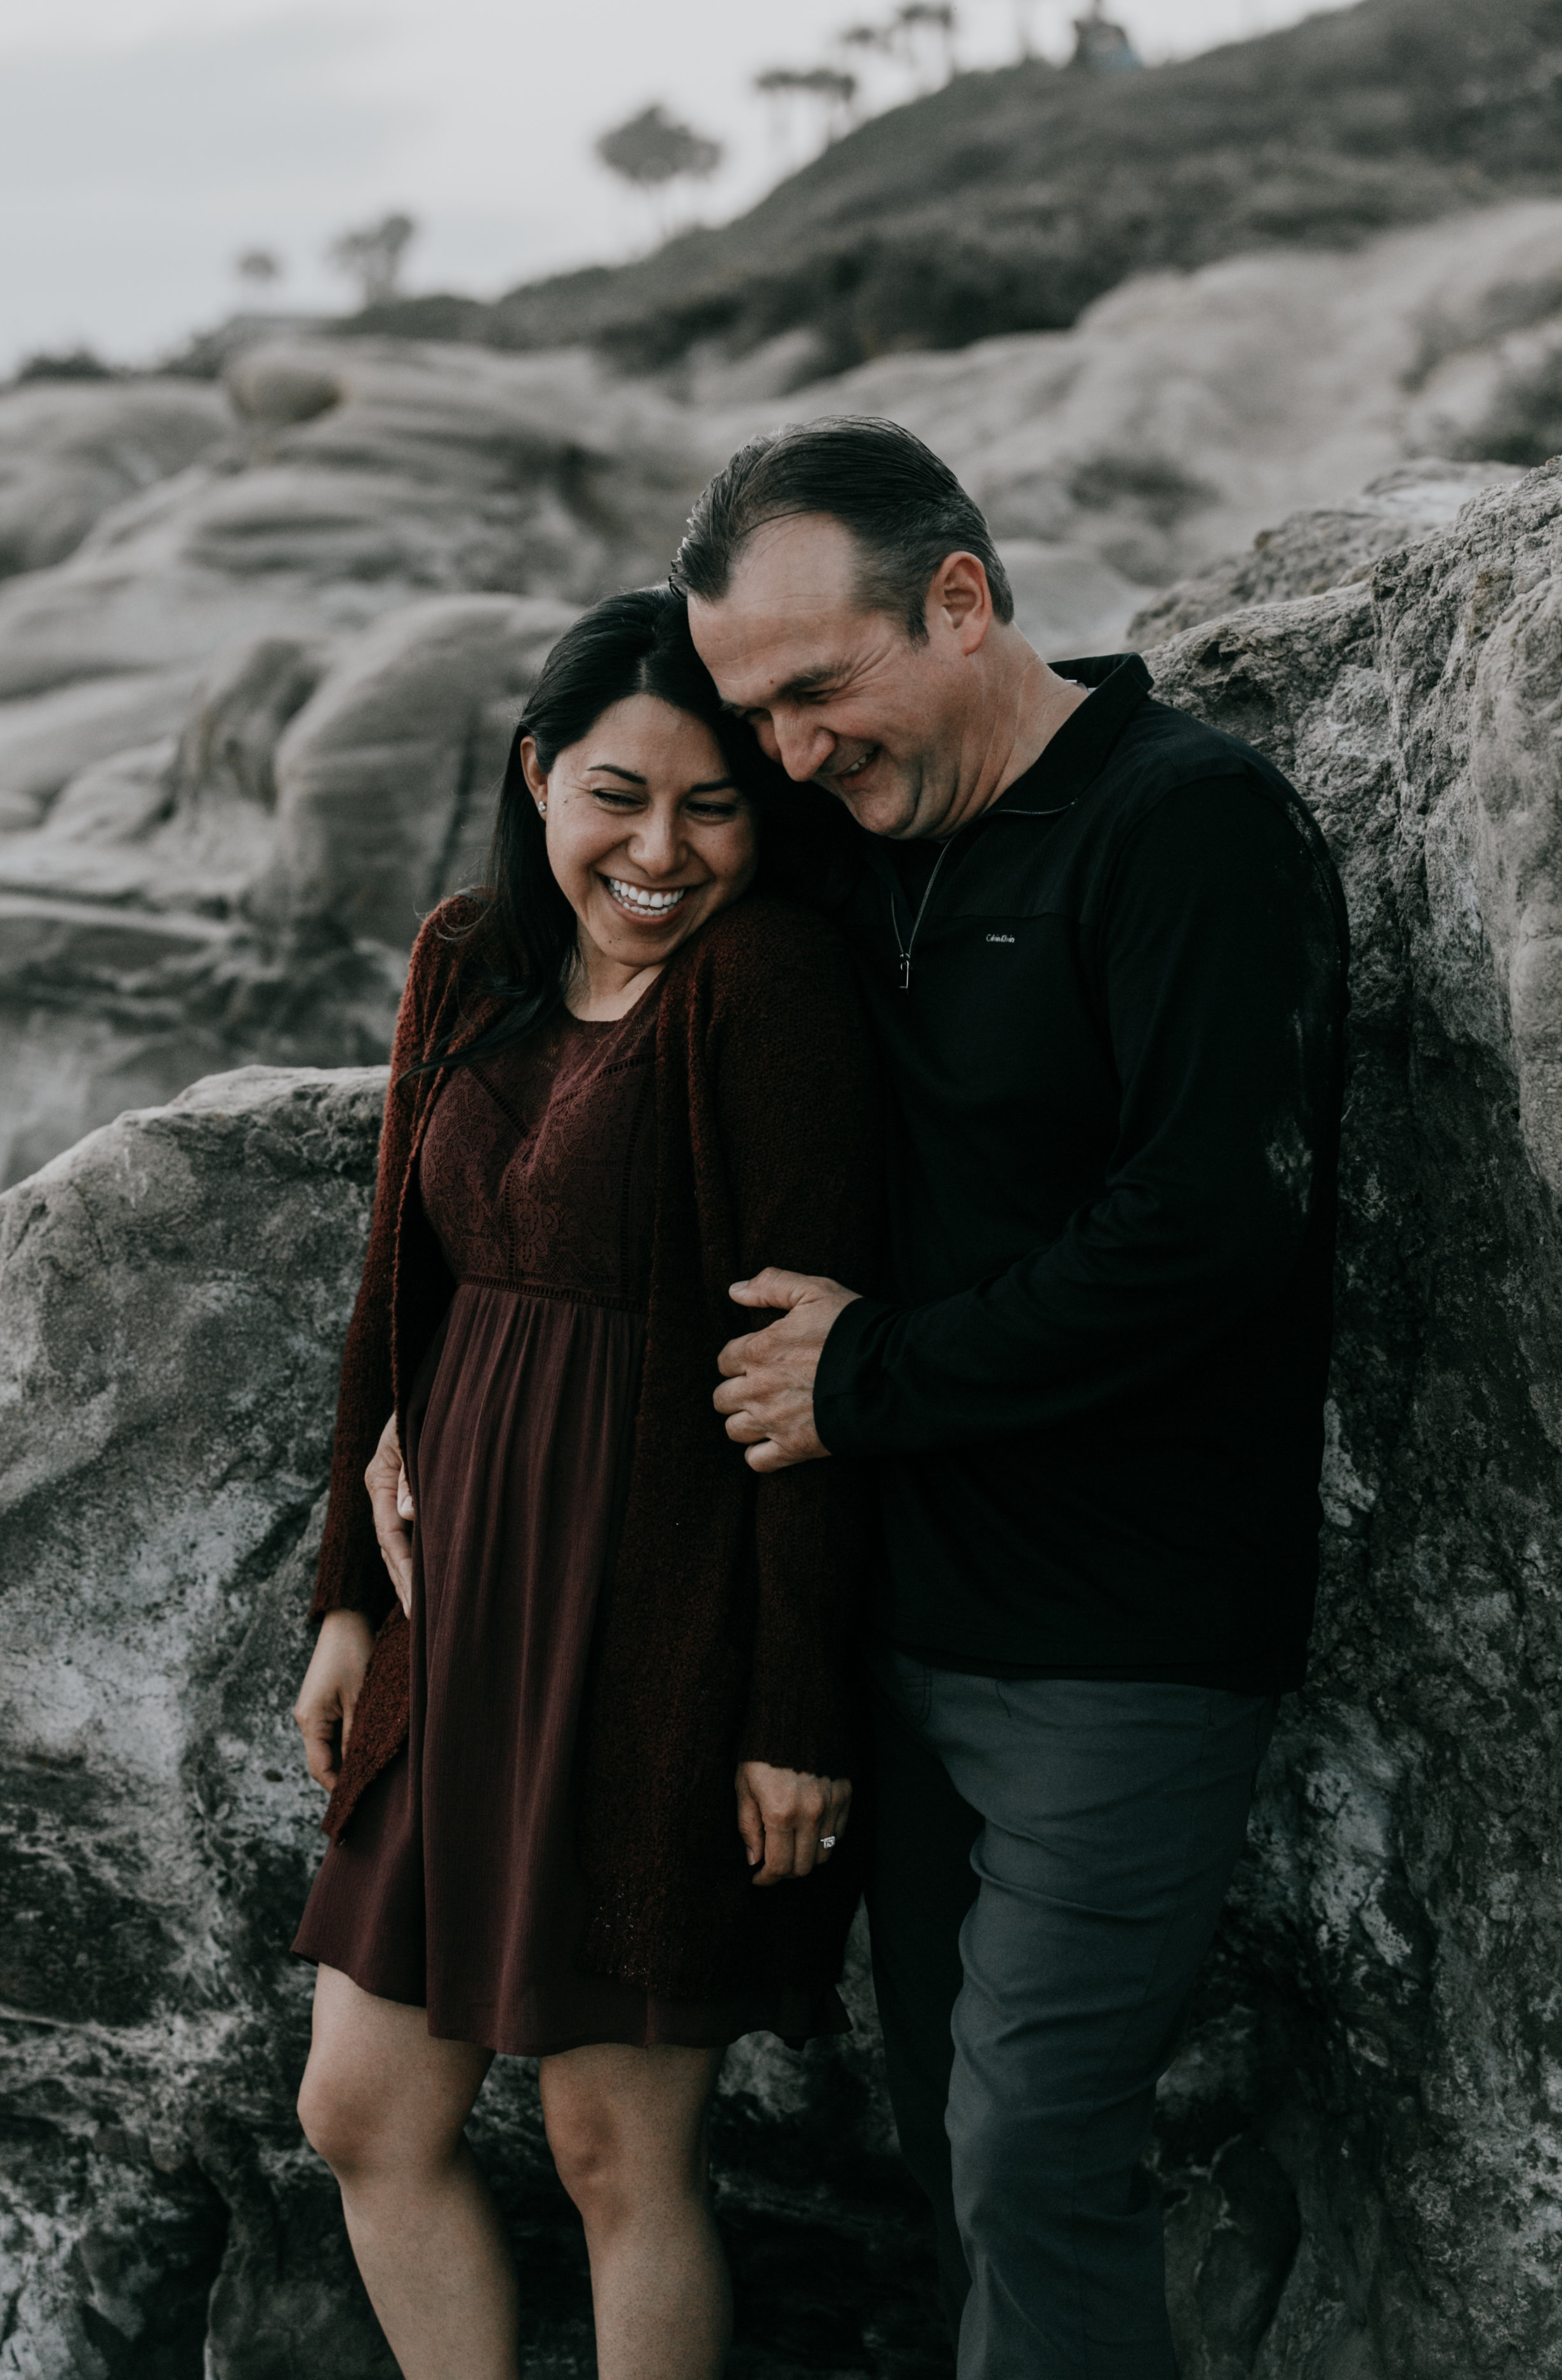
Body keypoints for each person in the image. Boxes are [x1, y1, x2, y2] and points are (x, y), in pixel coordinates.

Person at [679, 417, 1349, 2380]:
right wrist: (415, 1394)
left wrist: (867, 1372)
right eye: (754, 711)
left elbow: (1209, 1224)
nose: (790, 750)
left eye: (819, 688)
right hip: (892, 1624)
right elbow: (582, 922)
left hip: (1122, 1641)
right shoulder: (837, 843)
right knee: (942, 2153)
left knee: (1032, 2150)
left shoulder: (1185, 822)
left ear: (960, 601)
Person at [288, 586, 881, 2380]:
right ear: (539, 772)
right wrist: (347, 1599)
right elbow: (397, 1287)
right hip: (456, 1612)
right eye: (618, 794)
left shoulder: (767, 984)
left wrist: (795, 1713)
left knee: (616, 2149)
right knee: (362, 2110)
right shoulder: (469, 952)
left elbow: (808, 1375)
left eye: (713, 806)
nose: (660, 849)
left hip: (660, 1633)